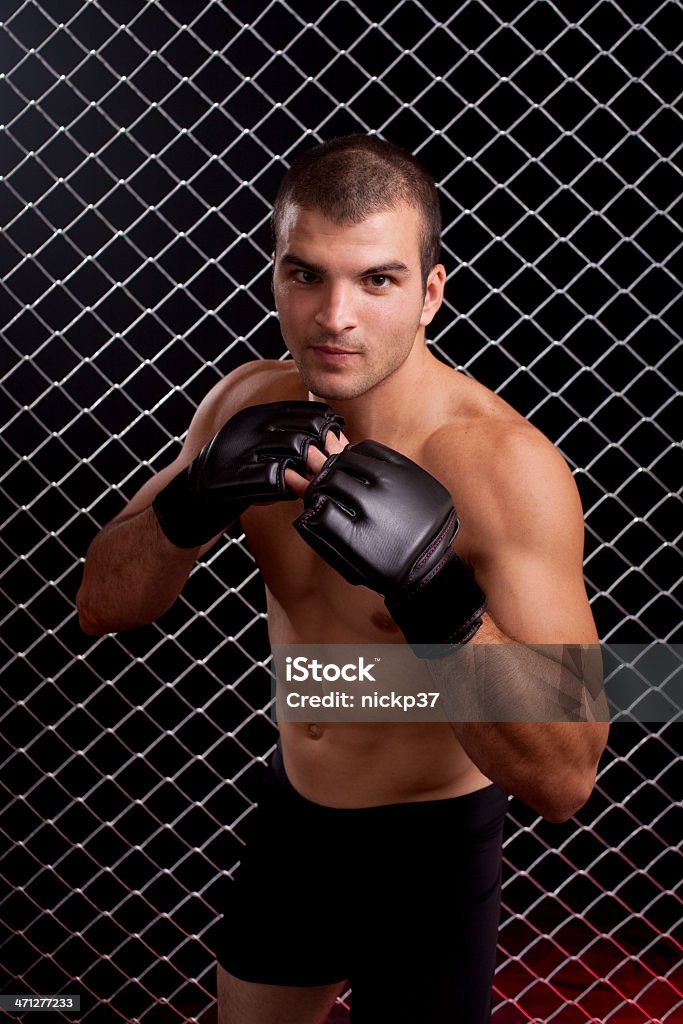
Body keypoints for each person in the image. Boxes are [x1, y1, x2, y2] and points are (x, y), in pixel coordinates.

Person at [77, 135, 610, 1024]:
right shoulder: (244, 403)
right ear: (275, 278)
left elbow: (567, 777)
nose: (334, 317)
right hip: (298, 815)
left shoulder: (502, 466)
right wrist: (191, 502)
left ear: (430, 293)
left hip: (428, 847)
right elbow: (102, 603)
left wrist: (437, 597)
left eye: (377, 280)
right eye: (306, 275)